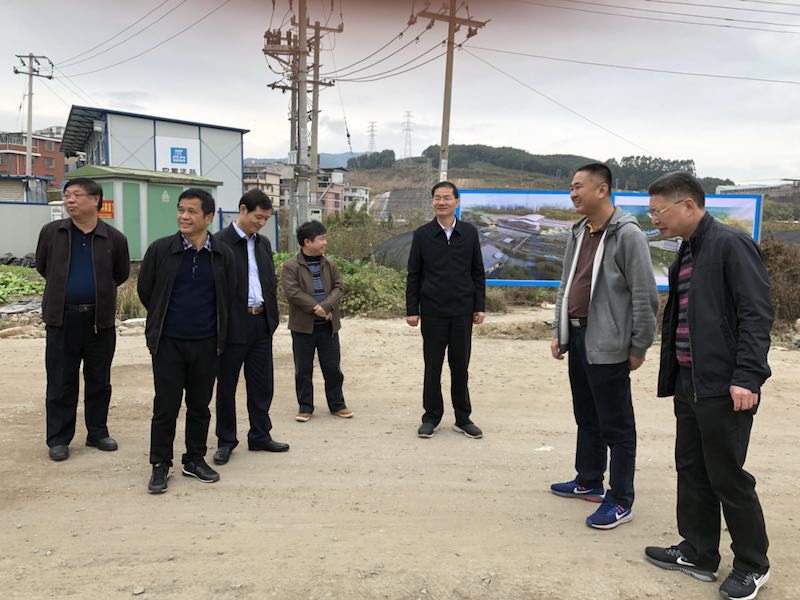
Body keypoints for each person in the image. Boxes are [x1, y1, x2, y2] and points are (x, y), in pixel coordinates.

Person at [643, 172, 773, 600]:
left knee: (727, 476)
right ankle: (698, 552)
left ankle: (752, 564)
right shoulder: (687, 250)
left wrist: (747, 377)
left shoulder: (730, 245)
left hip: (724, 385)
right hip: (690, 381)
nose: (654, 219)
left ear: (688, 205)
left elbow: (756, 313)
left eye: (658, 211)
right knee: (692, 469)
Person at [550, 163, 658, 529]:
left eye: (579, 186)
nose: (573, 193)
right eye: (571, 187)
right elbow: (566, 285)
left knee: (617, 425)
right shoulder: (579, 231)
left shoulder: (627, 235)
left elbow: (645, 295)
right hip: (578, 336)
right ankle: (589, 480)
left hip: (609, 342)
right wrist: (559, 331)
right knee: (586, 415)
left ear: (602, 190)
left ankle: (621, 499)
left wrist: (639, 346)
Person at [137, 188, 236, 494]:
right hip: (168, 343)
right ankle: (160, 463)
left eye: (192, 211)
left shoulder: (222, 254)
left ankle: (194, 459)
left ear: (209, 217)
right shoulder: (160, 250)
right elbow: (146, 291)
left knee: (199, 406)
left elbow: (229, 295)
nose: (184, 216)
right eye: (181, 210)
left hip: (207, 343)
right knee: (165, 406)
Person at [35, 177, 130, 462]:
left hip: (99, 321)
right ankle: (59, 439)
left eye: (76, 195)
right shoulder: (52, 233)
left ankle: (97, 432)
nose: (69, 200)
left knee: (99, 380)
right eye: (67, 195)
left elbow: (120, 274)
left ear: (95, 200)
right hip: (62, 319)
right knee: (60, 381)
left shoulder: (114, 238)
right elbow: (43, 266)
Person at [212, 189, 288, 465]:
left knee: (261, 384)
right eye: (258, 217)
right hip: (233, 325)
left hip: (261, 323)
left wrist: (272, 320)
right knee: (227, 386)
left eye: (266, 219)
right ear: (242, 209)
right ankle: (226, 440)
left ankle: (260, 435)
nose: (262, 223)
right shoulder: (219, 243)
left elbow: (269, 282)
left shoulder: (263, 244)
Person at [406, 180, 486, 440]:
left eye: (446, 198)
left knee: (460, 366)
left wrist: (479, 306)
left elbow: (477, 271)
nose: (441, 202)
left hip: (462, 311)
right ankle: (431, 417)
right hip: (433, 312)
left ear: (457, 202)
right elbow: (414, 274)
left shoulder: (469, 233)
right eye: (437, 198)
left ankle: (463, 418)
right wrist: (412, 309)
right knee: (433, 367)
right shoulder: (422, 234)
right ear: (432, 202)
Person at [281, 220, 352, 422]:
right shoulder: (290, 266)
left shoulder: (330, 264)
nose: (325, 242)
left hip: (328, 326)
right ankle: (305, 406)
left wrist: (326, 307)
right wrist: (316, 308)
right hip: (303, 328)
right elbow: (293, 292)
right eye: (321, 239)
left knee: (333, 368)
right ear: (307, 242)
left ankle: (337, 404)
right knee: (303, 370)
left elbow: (339, 287)